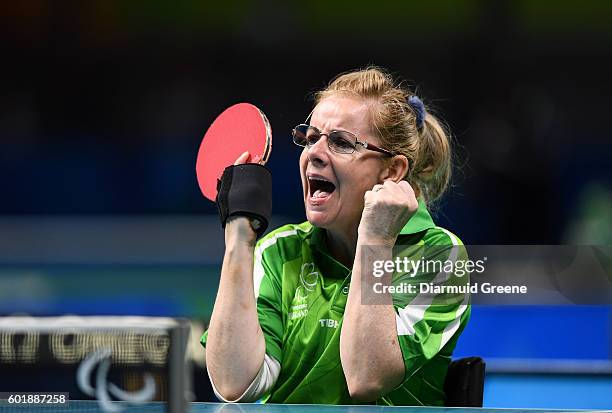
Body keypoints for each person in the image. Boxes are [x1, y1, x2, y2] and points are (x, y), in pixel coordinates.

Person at [201, 67, 470, 406]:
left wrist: (376, 239)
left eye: (341, 142)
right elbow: (234, 384)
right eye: (310, 138)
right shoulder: (279, 252)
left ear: (392, 171)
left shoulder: (437, 256)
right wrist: (239, 241)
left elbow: (367, 376)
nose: (314, 152)